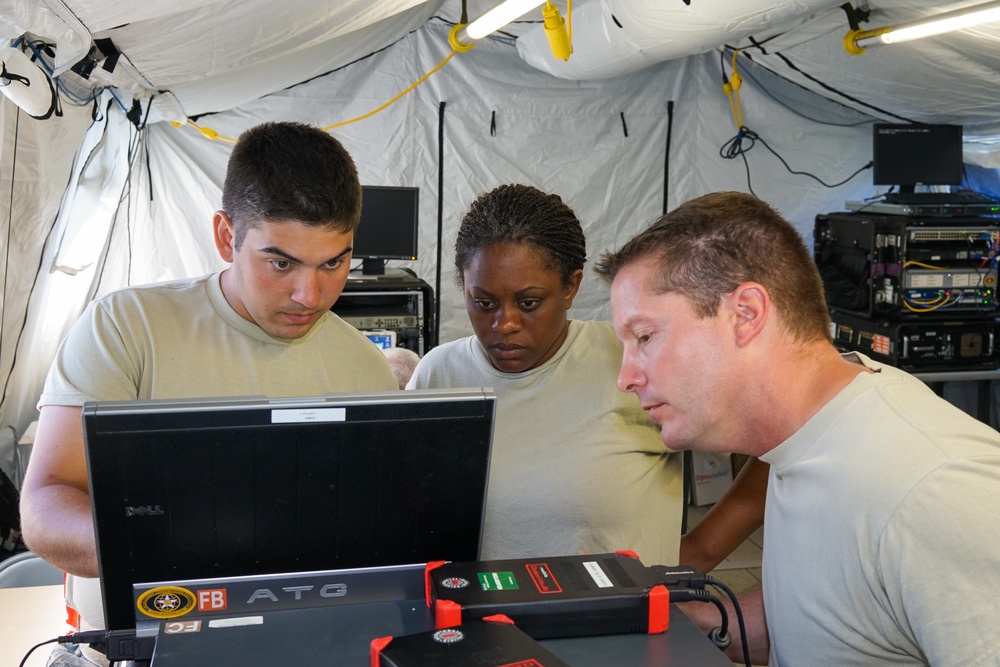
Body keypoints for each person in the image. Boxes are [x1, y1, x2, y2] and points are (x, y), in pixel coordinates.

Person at [19, 121, 398, 666]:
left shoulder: (365, 369)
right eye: (281, 261)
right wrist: (181, 544)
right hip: (135, 651)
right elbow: (44, 507)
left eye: (333, 262)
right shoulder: (127, 328)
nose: (309, 294)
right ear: (226, 237)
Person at [594, 191, 1000, 666]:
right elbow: (839, 613)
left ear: (745, 314)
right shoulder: (803, 439)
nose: (626, 378)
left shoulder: (935, 492)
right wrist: (687, 617)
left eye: (644, 337)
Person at [408, 183, 767, 571]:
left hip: (613, 622)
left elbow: (773, 435)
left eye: (529, 303)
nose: (505, 323)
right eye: (484, 303)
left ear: (570, 287)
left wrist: (699, 551)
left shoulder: (633, 363)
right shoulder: (438, 373)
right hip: (472, 620)